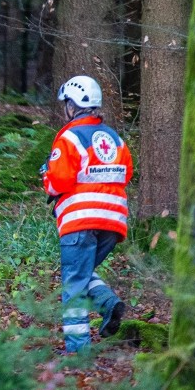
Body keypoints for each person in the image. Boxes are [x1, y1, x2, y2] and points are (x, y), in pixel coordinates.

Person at [41, 75, 133, 354]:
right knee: (82, 273)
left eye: (66, 104)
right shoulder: (114, 138)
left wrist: (46, 175)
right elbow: (126, 173)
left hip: (80, 220)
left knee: (73, 284)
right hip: (113, 221)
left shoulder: (69, 137)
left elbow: (59, 181)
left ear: (73, 105)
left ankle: (78, 351)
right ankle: (108, 304)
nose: (64, 109)